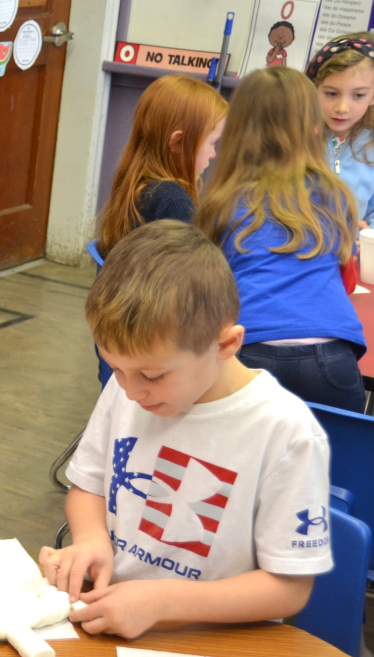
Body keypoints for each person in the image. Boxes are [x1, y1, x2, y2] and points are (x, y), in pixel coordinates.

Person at [40, 220, 330, 639]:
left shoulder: (285, 432)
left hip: (217, 638)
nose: (132, 390)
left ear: (226, 344)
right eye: (116, 368)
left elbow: (289, 588)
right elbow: (89, 485)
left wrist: (161, 602)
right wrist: (90, 539)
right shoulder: (128, 387)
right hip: (119, 623)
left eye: (152, 376)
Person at [195, 66, 366, 412]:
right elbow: (347, 275)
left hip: (250, 348)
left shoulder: (221, 202)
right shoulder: (336, 195)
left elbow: (208, 286)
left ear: (237, 129)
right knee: (337, 460)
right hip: (332, 355)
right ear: (313, 126)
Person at [96, 74, 227, 258]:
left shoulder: (136, 184)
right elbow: (183, 278)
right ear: (178, 143)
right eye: (212, 142)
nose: (213, 154)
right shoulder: (175, 203)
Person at [307, 33, 374, 229]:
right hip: (296, 250)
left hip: (351, 254)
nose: (342, 107)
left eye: (358, 95)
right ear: (313, 88)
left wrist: (369, 236)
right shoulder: (295, 135)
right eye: (331, 93)